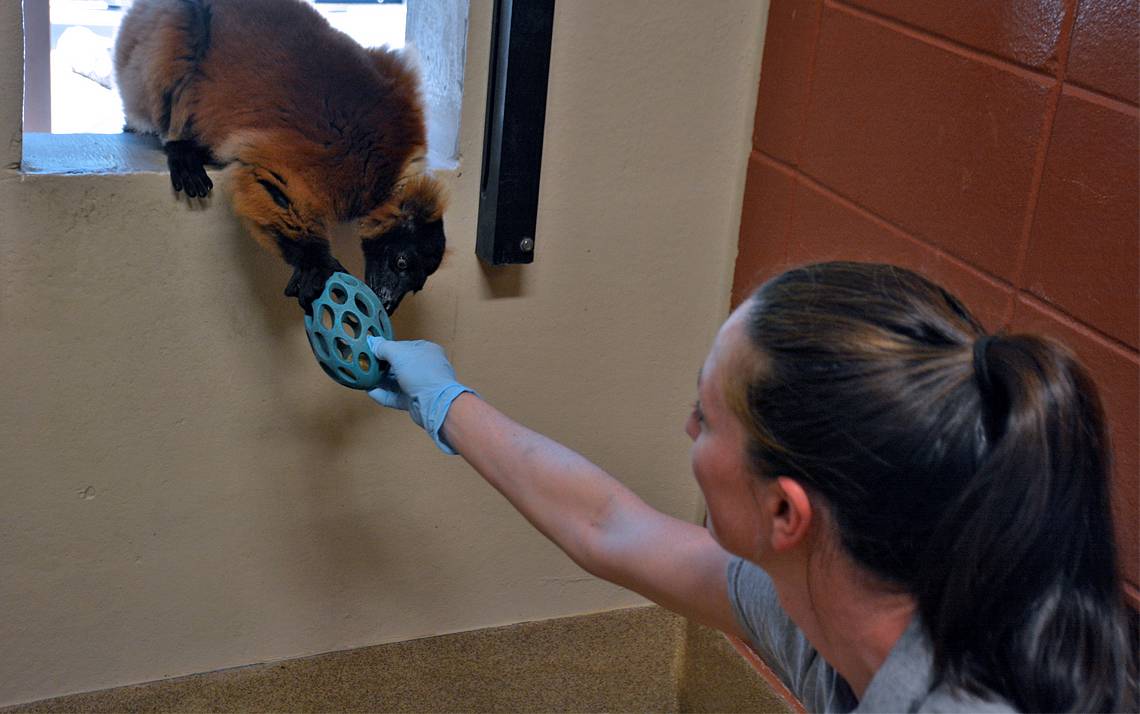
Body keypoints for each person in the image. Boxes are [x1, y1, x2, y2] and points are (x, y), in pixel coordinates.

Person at [365, 261, 1134, 713]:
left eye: (706, 414)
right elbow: (609, 529)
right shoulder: (868, 607)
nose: (688, 428)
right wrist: (444, 402)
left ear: (784, 512)